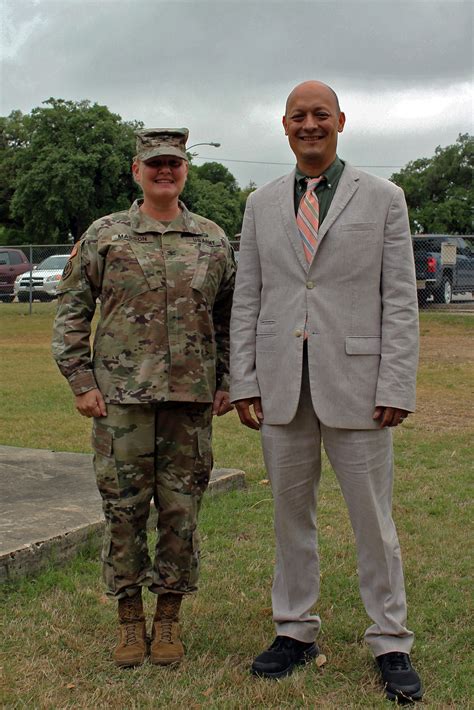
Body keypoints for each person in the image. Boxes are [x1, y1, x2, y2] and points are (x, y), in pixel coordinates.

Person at [230, 81, 423, 702]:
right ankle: (295, 629)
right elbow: (250, 298)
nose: (309, 125)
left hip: (361, 385)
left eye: (320, 115)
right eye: (297, 117)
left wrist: (396, 381)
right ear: (283, 126)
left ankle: (390, 639)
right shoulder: (259, 203)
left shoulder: (385, 198)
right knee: (291, 518)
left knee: (374, 521)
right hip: (282, 383)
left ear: (340, 121)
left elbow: (400, 299)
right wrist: (245, 379)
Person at [52, 128, 235, 668]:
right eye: (154, 163)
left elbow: (230, 320)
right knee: (124, 512)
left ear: (184, 172)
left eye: (173, 164)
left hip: (190, 405)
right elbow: (71, 312)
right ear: (137, 171)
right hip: (121, 405)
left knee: (181, 513)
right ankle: (130, 618)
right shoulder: (106, 235)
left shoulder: (212, 239)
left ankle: (170, 617)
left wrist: (227, 380)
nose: (164, 171)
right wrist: (82, 382)